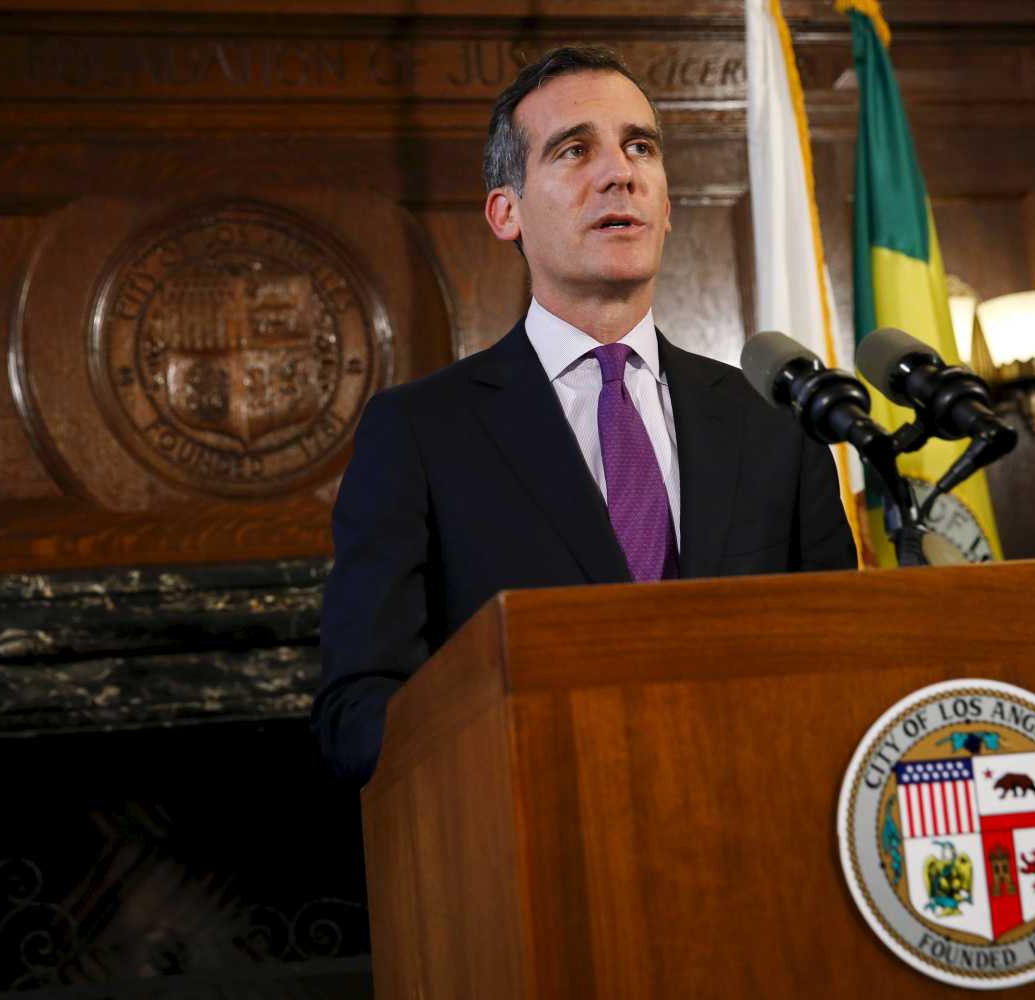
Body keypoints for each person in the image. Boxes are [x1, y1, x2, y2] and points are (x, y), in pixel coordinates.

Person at [312, 46, 856, 783]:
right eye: (575, 150)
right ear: (506, 212)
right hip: (537, 840)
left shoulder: (771, 426)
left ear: (664, 204)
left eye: (640, 147)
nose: (619, 171)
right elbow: (358, 713)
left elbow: (840, 671)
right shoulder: (418, 434)